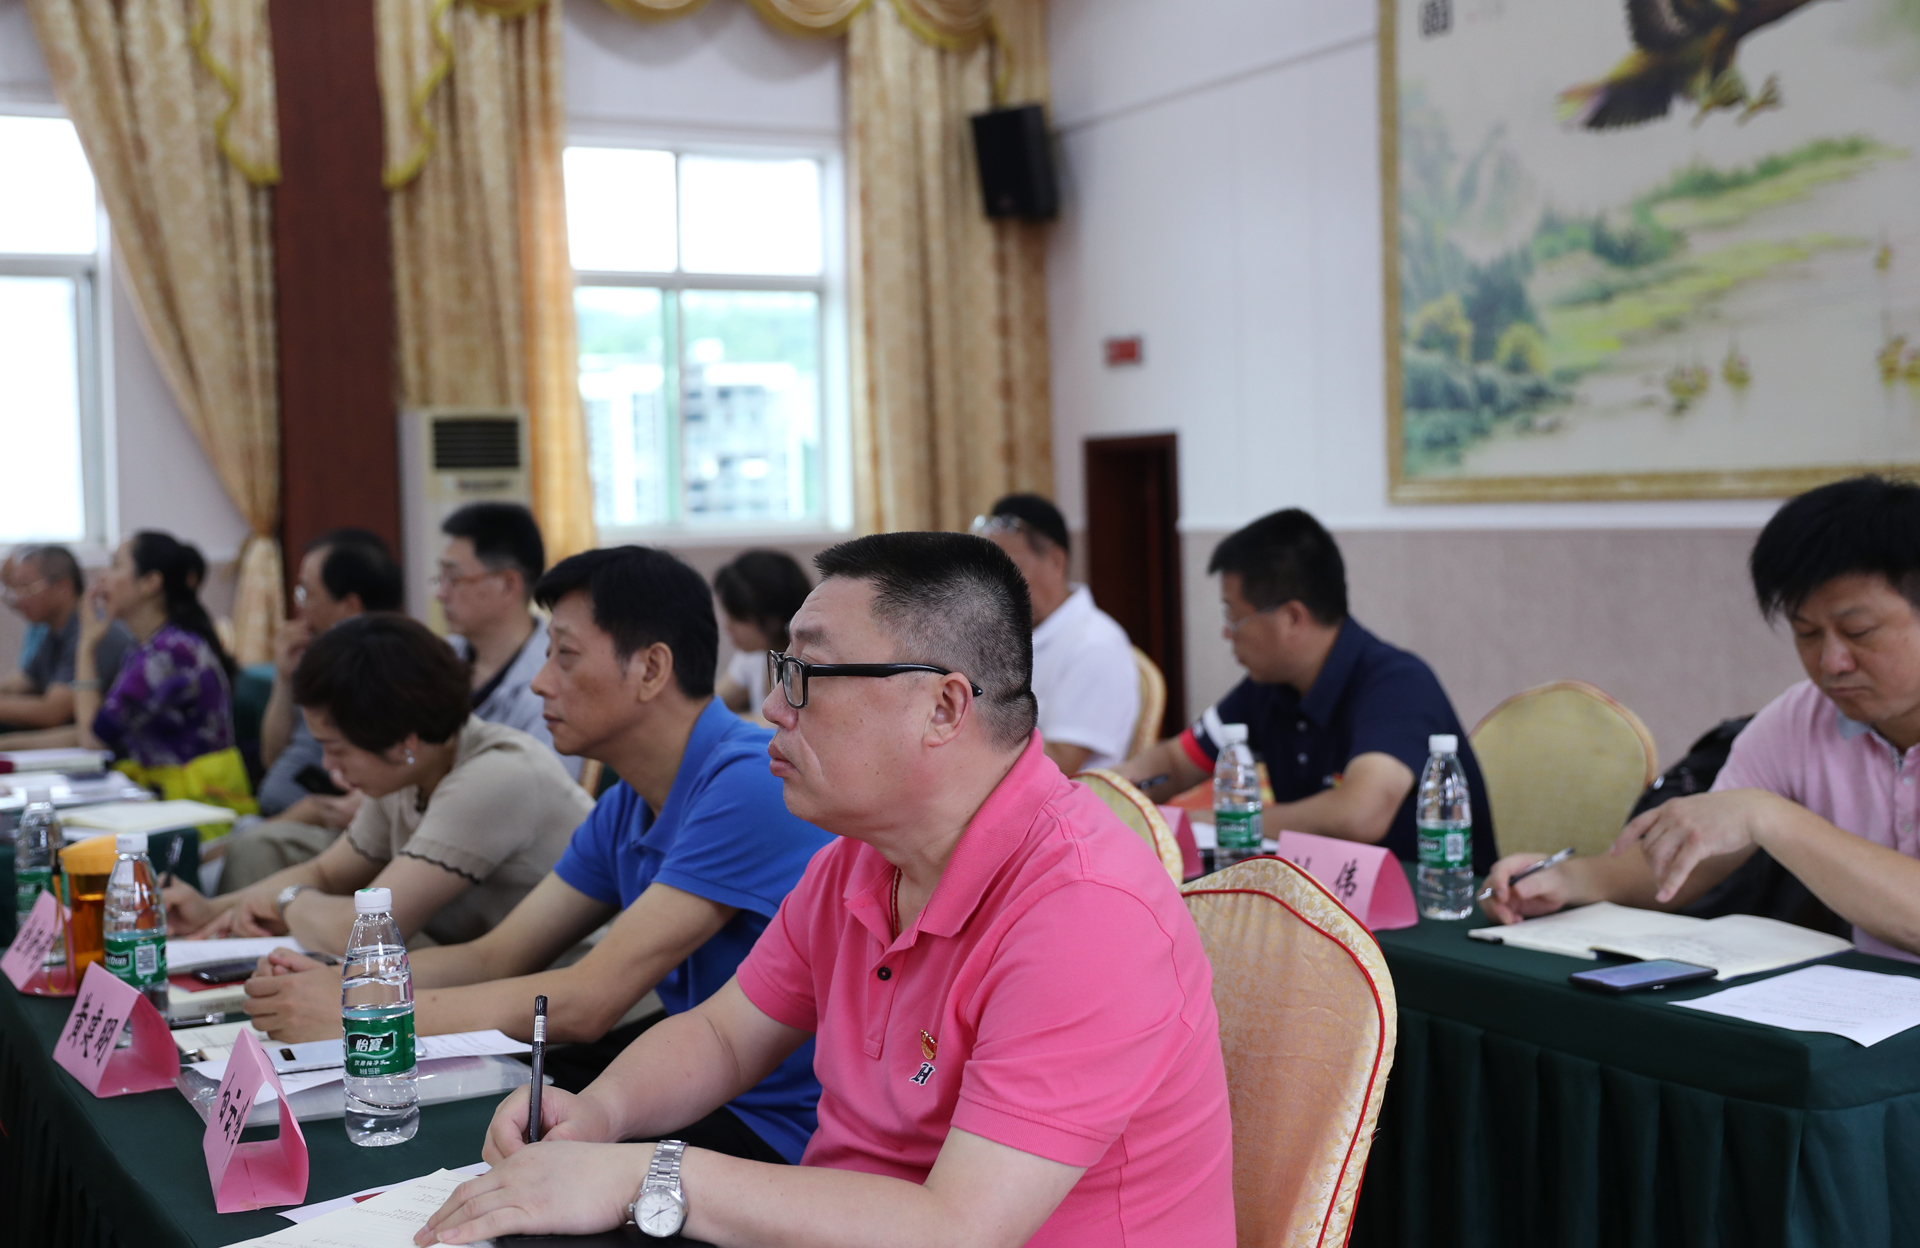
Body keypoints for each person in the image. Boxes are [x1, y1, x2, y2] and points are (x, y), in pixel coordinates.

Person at [419, 533, 1234, 1248]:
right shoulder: (860, 858)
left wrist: (650, 1173)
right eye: (783, 670)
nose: (774, 707)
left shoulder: (1086, 915)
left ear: (943, 706)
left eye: (808, 674)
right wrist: (599, 1116)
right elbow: (725, 1037)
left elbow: (957, 1229)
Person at [242, 546, 833, 1164]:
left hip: (770, 1126)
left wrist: (372, 1013)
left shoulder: (747, 782)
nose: (539, 681)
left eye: (565, 655)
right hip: (691, 1093)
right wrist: (349, 988)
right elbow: (496, 955)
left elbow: (589, 1000)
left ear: (651, 669)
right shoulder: (626, 805)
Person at [1483, 476, 1920, 962]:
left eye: (1859, 631)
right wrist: (1568, 880)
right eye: (1807, 633)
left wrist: (1770, 817)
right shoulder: (1800, 718)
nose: (1832, 662)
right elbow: (1692, 857)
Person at [164, 614, 592, 954]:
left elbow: (366, 930)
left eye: (337, 749)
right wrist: (209, 911)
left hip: (555, 998)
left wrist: (288, 902)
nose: (328, 766)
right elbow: (326, 873)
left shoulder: (495, 777)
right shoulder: (411, 770)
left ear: (403, 741)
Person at [1119, 507, 1495, 873]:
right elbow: (1173, 764)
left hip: (1439, 901)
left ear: (1292, 618)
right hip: (1324, 901)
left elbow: (1360, 814)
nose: (1226, 632)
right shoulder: (1268, 687)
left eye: (1233, 616)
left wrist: (1221, 821)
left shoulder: (1398, 684)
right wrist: (1100, 795)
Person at [220, 530, 404, 890]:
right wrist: (284, 678)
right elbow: (273, 757)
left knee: (226, 859)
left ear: (349, 606)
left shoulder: (382, 673)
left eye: (307, 593)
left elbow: (350, 802)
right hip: (274, 820)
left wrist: (282, 823)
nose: (299, 606)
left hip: (320, 834)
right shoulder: (319, 659)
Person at [74, 532, 253, 816]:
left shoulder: (168, 654)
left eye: (116, 565)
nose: (102, 576)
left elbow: (92, 740)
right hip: (169, 797)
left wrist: (86, 645)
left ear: (150, 583)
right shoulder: (149, 645)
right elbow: (100, 726)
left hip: (199, 807)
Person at [972, 494, 1140, 774]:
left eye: (1010, 568)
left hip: (1061, 797)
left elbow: (1060, 764)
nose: (995, 584)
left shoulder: (1094, 646)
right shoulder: (1008, 632)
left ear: (1056, 561)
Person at [437, 502, 579, 779]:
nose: (440, 594)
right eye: (440, 577)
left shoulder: (555, 682)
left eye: (453, 578)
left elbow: (544, 789)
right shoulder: (440, 658)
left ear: (508, 584)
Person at [0, 545, 133, 736]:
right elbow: (21, 682)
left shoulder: (95, 630)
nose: (18, 599)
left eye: (27, 588)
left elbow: (52, 712)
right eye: (16, 589)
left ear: (63, 587)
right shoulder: (53, 631)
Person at [713, 549, 812, 720]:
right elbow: (706, 707)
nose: (727, 627)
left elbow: (782, 723)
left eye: (736, 617)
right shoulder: (752, 657)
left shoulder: (809, 664)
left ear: (772, 619)